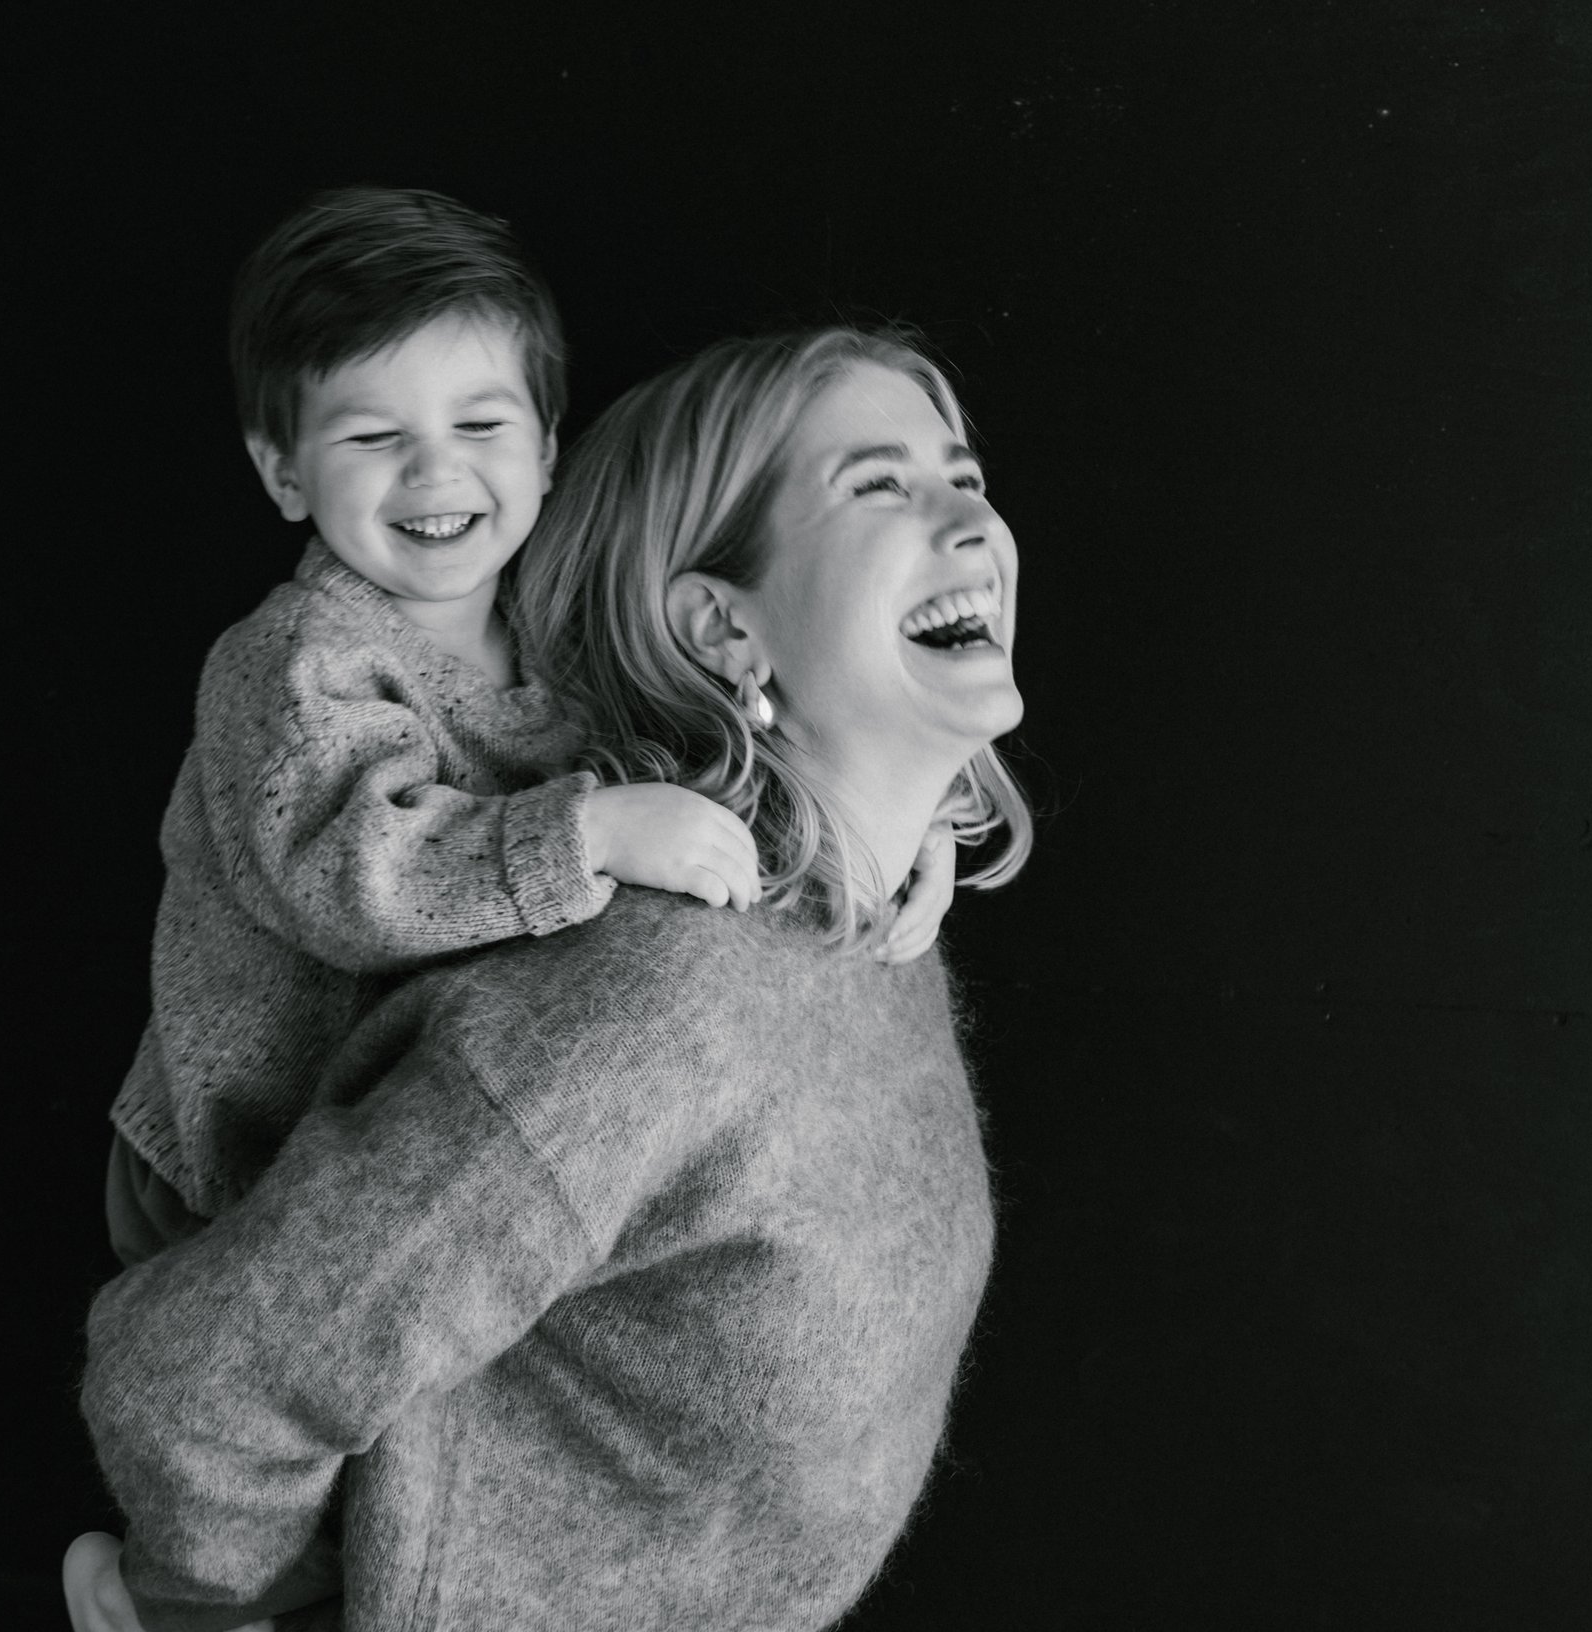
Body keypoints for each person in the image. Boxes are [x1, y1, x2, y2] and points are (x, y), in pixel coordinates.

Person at [64, 324, 1031, 1632]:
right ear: (720, 624)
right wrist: (220, 1622)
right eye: (879, 485)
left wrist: (897, 835)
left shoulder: (862, 934)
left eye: (967, 475)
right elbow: (207, 1377)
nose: (969, 519)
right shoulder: (664, 1007)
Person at [100, 186, 955, 1265]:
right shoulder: (293, 661)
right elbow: (353, 875)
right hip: (238, 1162)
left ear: (545, 449)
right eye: (373, 435)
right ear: (283, 471)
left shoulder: (557, 627)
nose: (435, 470)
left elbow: (720, 743)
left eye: (479, 424)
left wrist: (894, 822)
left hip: (430, 1135)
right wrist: (588, 836)